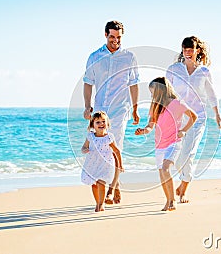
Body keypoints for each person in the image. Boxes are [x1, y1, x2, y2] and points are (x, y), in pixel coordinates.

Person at [83, 20, 140, 205]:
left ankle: (112, 189)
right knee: (100, 151)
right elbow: (88, 82)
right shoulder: (94, 57)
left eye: (119, 37)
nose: (116, 40)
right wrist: (86, 106)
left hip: (119, 111)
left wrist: (135, 109)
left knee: (116, 149)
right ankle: (112, 184)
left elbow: (134, 84)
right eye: (112, 36)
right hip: (99, 111)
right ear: (105, 35)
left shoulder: (129, 57)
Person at [166, 36, 221, 203]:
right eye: (185, 49)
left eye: (191, 49)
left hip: (197, 119)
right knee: (176, 156)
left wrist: (218, 115)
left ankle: (183, 189)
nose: (187, 53)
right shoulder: (173, 69)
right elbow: (165, 92)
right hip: (177, 118)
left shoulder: (204, 72)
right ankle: (184, 179)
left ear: (197, 50)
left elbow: (212, 95)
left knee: (188, 153)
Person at [135, 77, 197, 211]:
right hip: (159, 145)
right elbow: (150, 125)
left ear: (161, 91)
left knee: (165, 169)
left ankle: (173, 200)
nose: (152, 95)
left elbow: (193, 116)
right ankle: (168, 200)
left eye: (153, 92)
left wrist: (184, 131)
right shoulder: (155, 106)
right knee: (162, 174)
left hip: (174, 142)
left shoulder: (177, 103)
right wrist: (144, 131)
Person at [81, 111, 123, 212]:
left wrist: (120, 165)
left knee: (101, 183)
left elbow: (117, 151)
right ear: (92, 125)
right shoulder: (90, 136)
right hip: (92, 164)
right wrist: (84, 150)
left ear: (107, 123)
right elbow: (84, 147)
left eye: (103, 121)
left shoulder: (108, 137)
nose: (101, 124)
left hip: (105, 165)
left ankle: (100, 205)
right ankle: (98, 202)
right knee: (94, 184)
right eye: (98, 122)